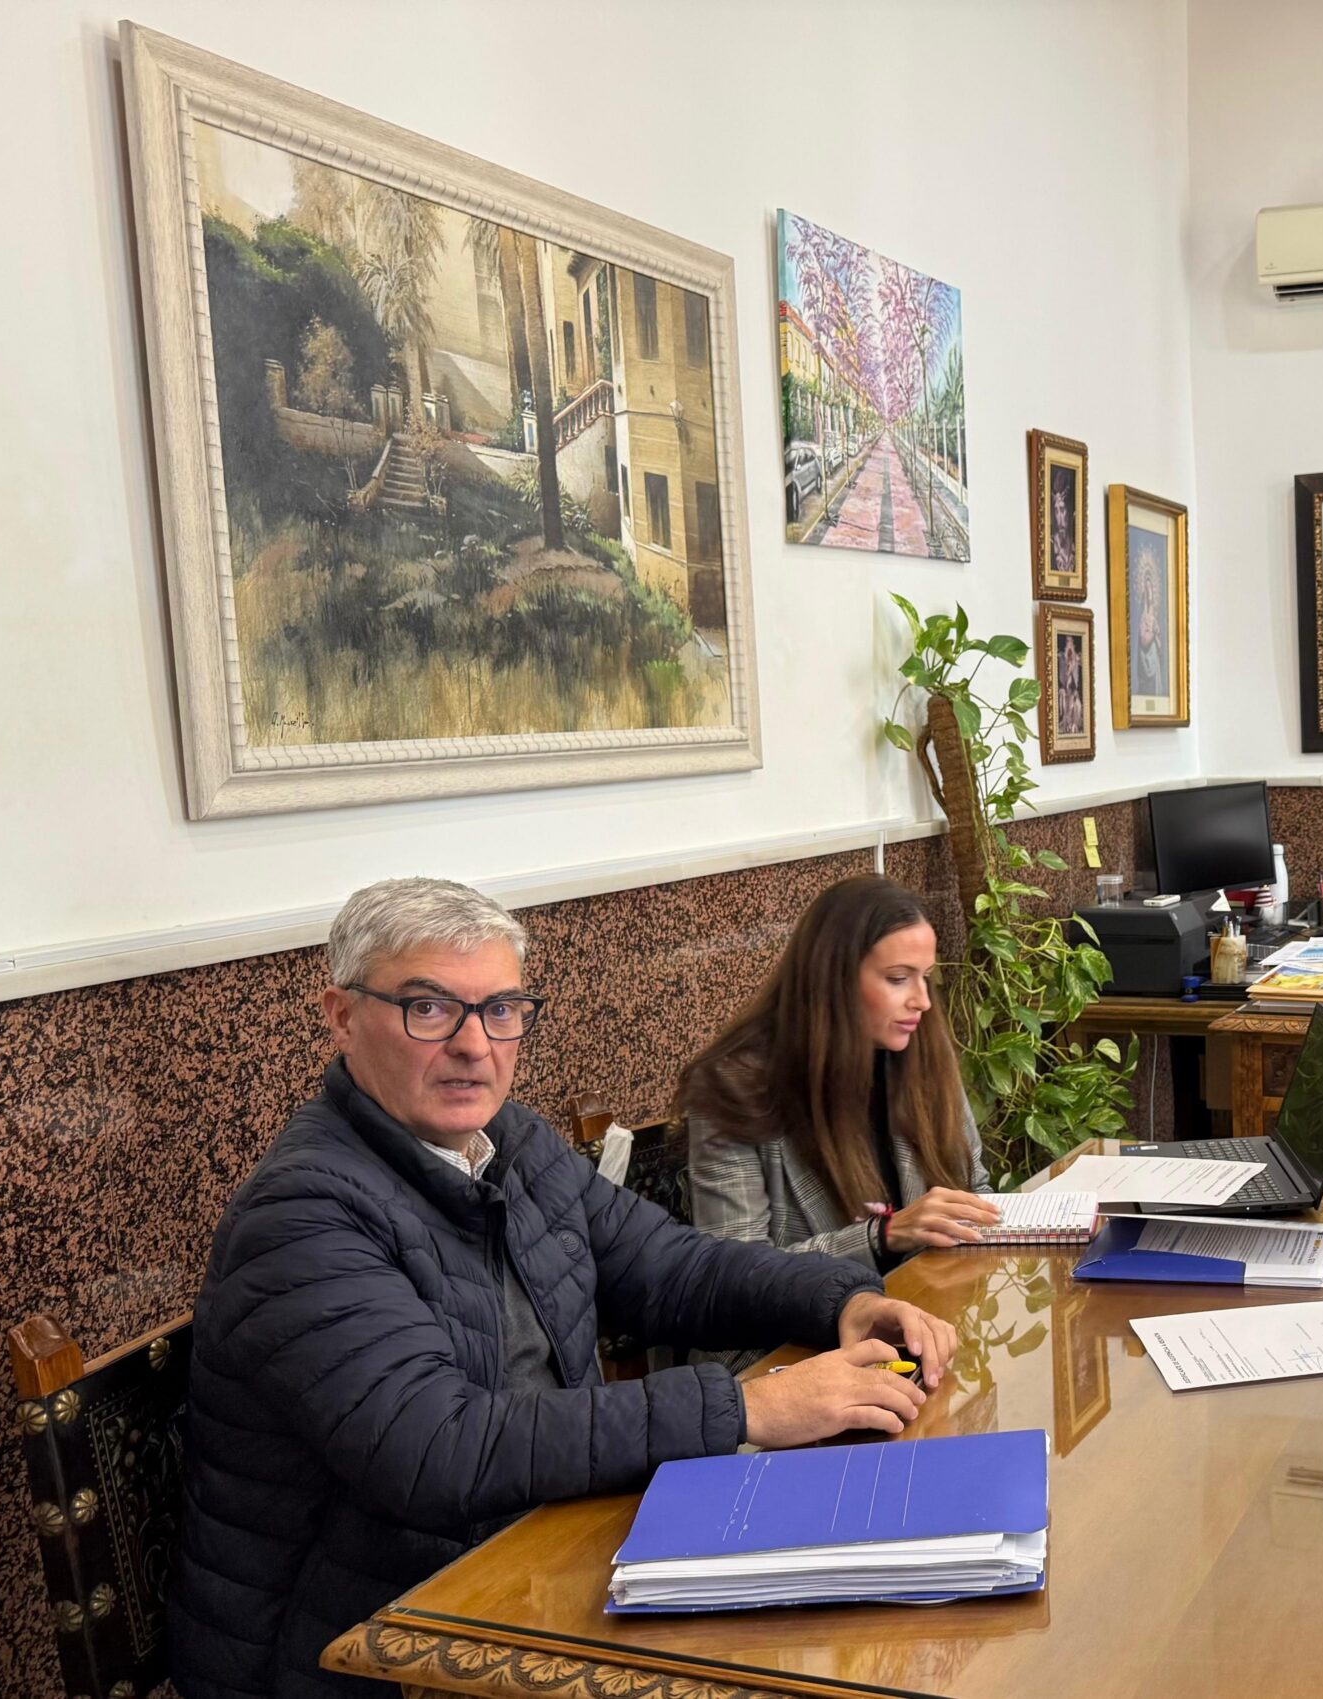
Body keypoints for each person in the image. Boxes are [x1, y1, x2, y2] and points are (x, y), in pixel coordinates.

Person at [170, 878, 956, 1699]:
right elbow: (438, 1448)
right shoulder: (302, 1213)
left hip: (542, 1565)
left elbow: (670, 1266)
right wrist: (751, 1408)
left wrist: (841, 1298)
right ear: (341, 1015)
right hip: (364, 1650)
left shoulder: (508, 1139)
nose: (476, 1044)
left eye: (501, 1007)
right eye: (430, 1008)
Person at [678, 875, 999, 1270]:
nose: (922, 1001)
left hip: (931, 1305)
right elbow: (735, 1271)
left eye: (926, 977)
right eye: (898, 979)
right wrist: (882, 1236)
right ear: (835, 979)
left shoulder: (922, 1049)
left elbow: (974, 1189)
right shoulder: (734, 1084)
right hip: (818, 1328)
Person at [1129, 534, 1170, 699]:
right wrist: (1152, 634)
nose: (1150, 591)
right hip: (1146, 661)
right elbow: (1144, 642)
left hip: (1155, 662)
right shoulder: (1143, 616)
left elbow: (1160, 645)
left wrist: (1157, 637)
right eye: (1147, 588)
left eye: (1151, 587)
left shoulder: (1156, 614)